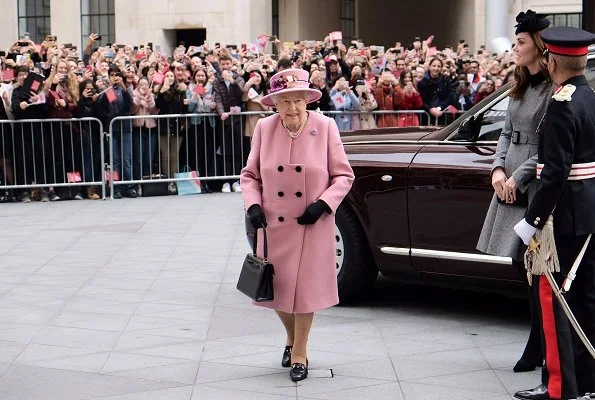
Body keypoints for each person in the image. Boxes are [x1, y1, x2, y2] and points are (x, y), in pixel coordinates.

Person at [240, 68, 354, 382]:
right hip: (273, 225)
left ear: (308, 100)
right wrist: (252, 205)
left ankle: (300, 352)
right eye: (285, 101)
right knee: (275, 289)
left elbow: (344, 176)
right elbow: (250, 176)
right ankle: (291, 338)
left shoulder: (326, 126)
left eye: (298, 100)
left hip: (311, 224)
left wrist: (323, 205)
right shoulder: (265, 128)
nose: (292, 108)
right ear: (274, 103)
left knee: (305, 292)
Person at [513, 26, 595, 400]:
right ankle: (585, 383)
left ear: (553, 61)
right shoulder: (590, 97)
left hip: (562, 219)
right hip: (587, 213)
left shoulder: (562, 105)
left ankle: (560, 387)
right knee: (583, 300)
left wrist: (531, 223)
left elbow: (554, 172)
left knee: (554, 299)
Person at [477, 10, 553, 380]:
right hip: (509, 181)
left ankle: (539, 343)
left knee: (538, 269)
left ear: (538, 46)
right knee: (521, 266)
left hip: (534, 184)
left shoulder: (554, 88)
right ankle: (536, 340)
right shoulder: (519, 83)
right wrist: (496, 169)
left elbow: (552, 147)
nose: (515, 48)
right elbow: (505, 133)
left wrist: (517, 177)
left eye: (520, 42)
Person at [417, 57, 455, 125]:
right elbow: (421, 101)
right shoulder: (422, 82)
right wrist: (430, 109)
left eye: (439, 66)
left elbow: (450, 96)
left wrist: (440, 107)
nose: (436, 68)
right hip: (426, 116)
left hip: (442, 114)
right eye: (434, 66)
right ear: (429, 67)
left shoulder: (446, 80)